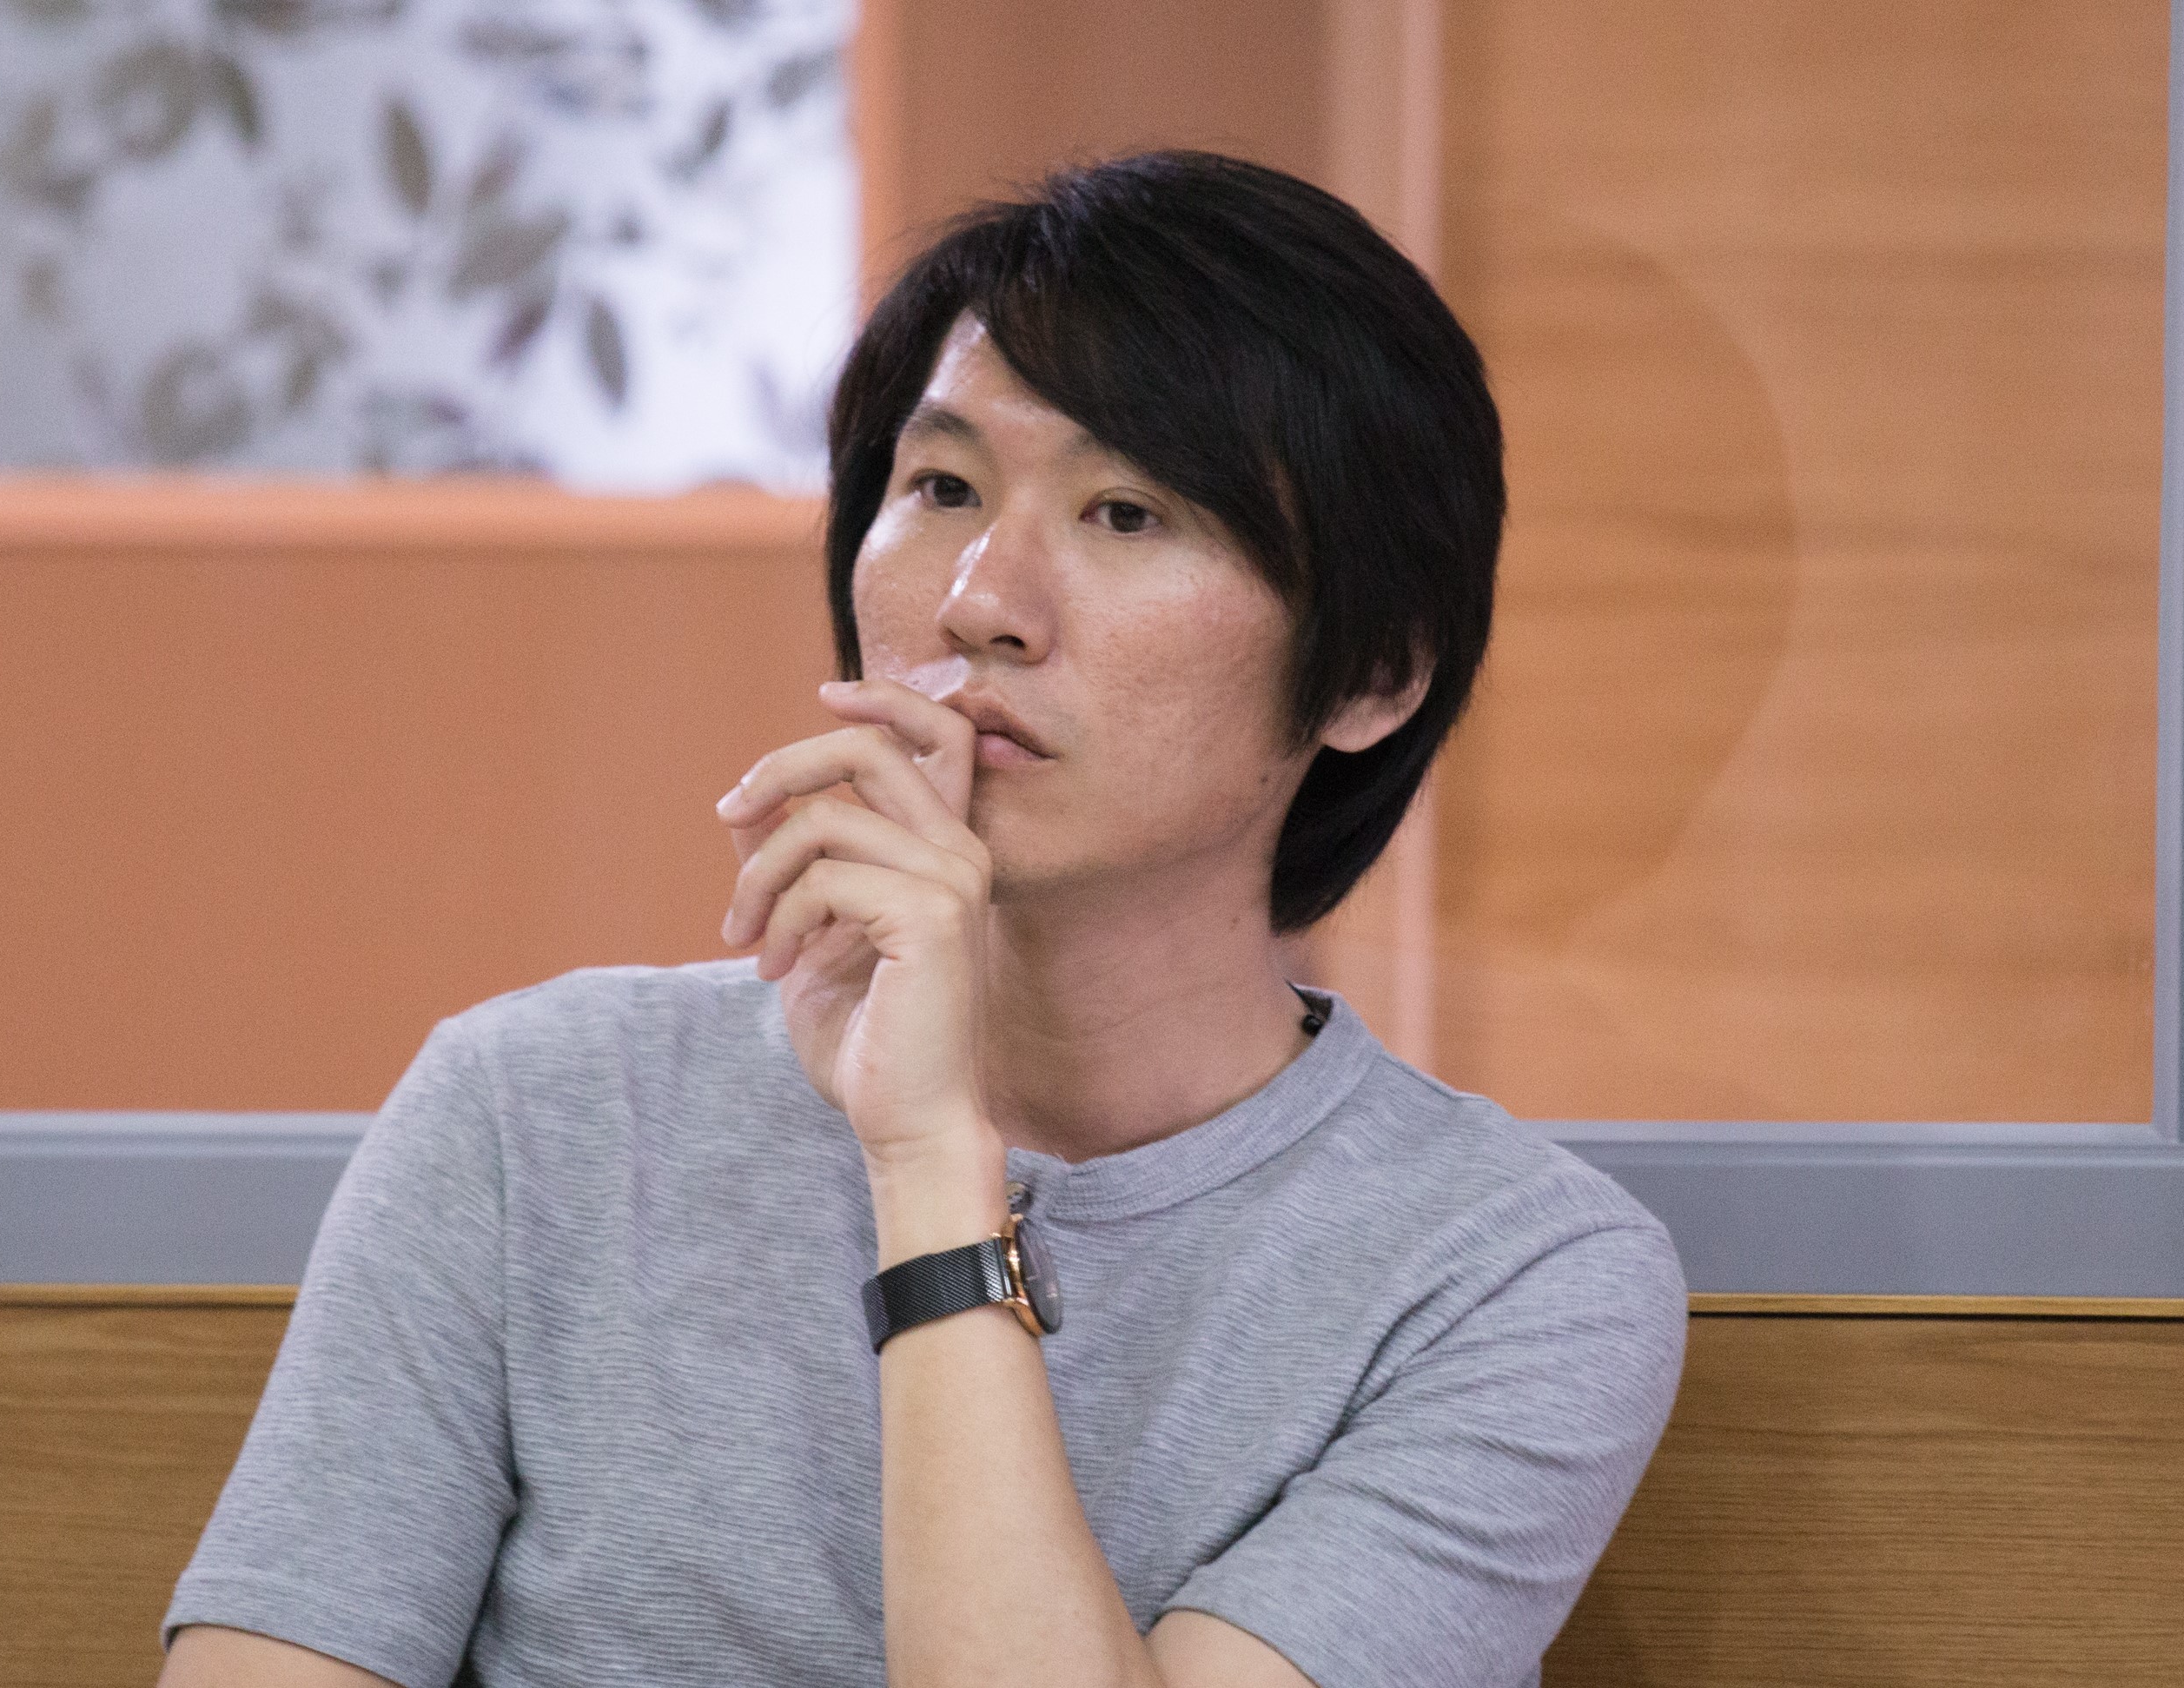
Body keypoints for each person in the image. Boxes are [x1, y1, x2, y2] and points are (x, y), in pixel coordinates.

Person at [158, 150, 1685, 1688]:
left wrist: (931, 1166)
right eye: (942, 489)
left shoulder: (1512, 1278)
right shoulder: (537, 1110)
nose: (979, 601)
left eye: (1127, 513)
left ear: (1374, 673)